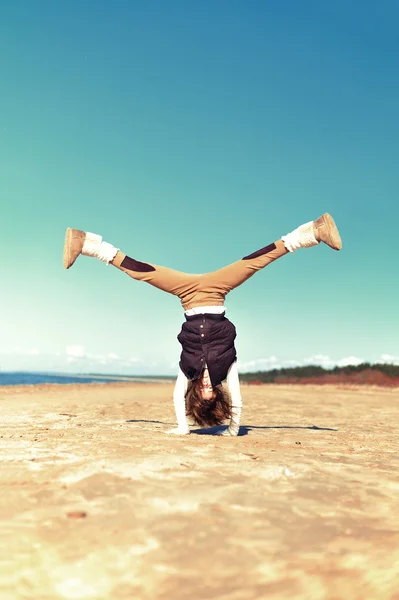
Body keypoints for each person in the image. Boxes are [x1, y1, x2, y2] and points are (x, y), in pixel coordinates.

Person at [63, 213, 342, 436]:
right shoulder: (226, 369)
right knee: (257, 262)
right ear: (217, 392)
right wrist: (233, 429)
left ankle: (85, 242)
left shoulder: (188, 370)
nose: (208, 385)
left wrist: (183, 427)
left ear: (196, 390)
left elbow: (175, 397)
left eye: (203, 390)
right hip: (217, 290)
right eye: (212, 391)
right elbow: (238, 399)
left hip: (187, 294)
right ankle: (315, 230)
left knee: (140, 272)